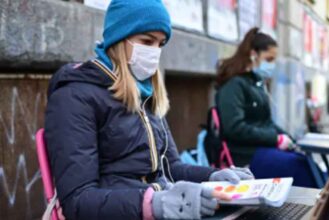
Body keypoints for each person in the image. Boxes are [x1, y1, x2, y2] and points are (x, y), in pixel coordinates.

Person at [44, 1, 254, 219]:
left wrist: (213, 176)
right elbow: (77, 201)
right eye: (146, 41)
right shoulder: (75, 95)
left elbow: (171, 166)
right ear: (119, 38)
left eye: (160, 44)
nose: (154, 52)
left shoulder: (146, 92)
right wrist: (154, 203)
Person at [215, 28, 317, 188]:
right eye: (268, 59)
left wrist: (289, 138)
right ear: (253, 54)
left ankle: (321, 206)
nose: (272, 65)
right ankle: (317, 208)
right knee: (299, 166)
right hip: (244, 155)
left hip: (260, 148)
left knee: (304, 160)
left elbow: (267, 122)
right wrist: (275, 139)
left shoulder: (257, 84)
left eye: (274, 60)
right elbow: (234, 127)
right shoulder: (234, 85)